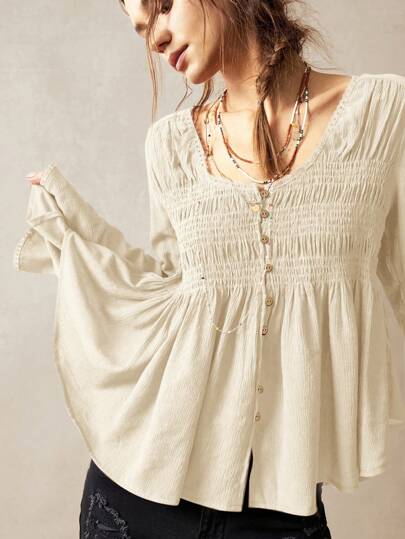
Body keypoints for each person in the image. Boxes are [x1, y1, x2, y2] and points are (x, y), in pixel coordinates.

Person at [18, 1, 405, 538]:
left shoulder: (382, 115)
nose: (155, 39)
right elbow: (173, 294)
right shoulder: (171, 147)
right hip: (136, 502)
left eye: (162, 7)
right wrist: (77, 233)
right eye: (141, 29)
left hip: (279, 515)